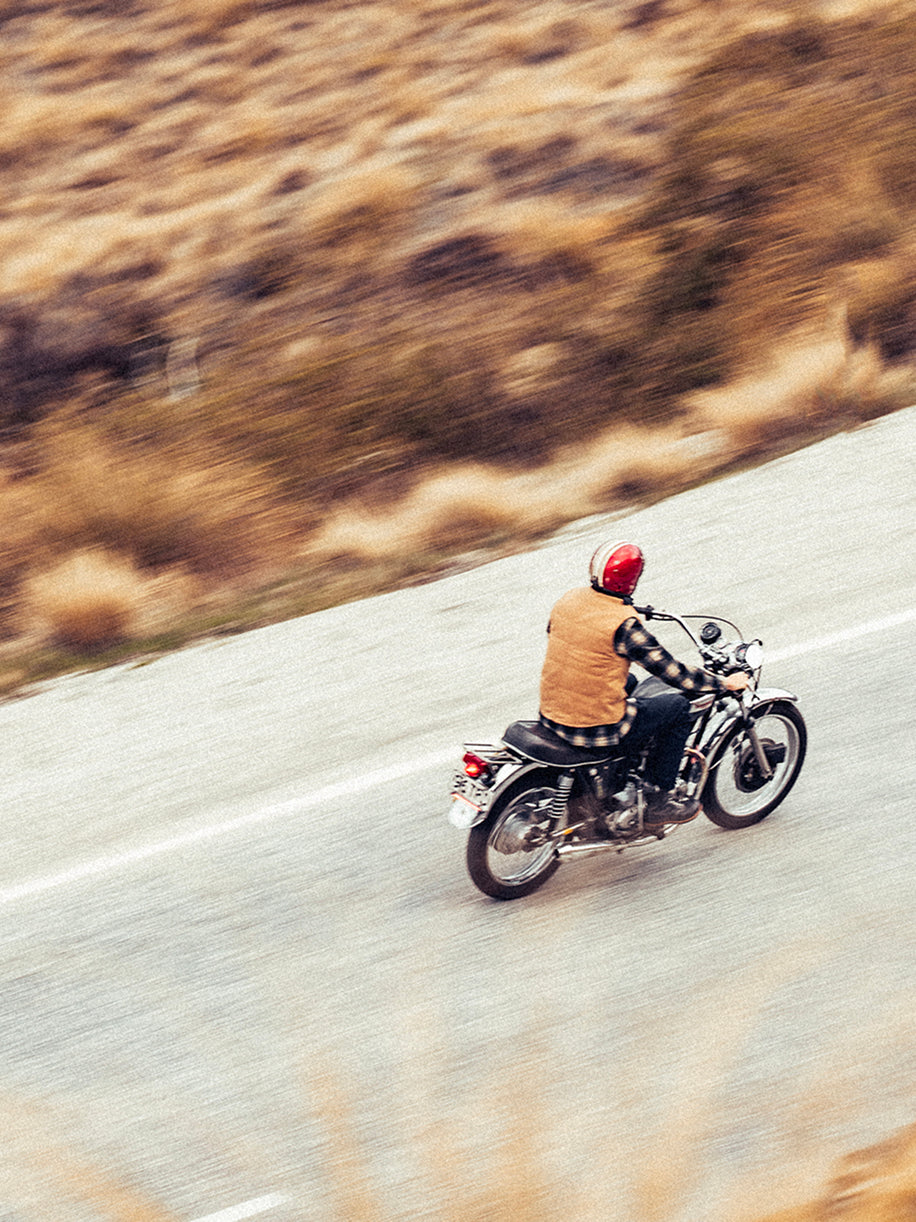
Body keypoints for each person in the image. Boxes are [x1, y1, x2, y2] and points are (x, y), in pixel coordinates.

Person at [538, 541, 749, 825]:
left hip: (552, 712)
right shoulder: (624, 625)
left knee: (631, 680)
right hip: (594, 726)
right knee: (675, 706)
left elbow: (565, 637)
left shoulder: (569, 600)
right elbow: (674, 674)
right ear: (632, 579)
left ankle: (625, 765)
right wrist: (724, 683)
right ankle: (659, 796)